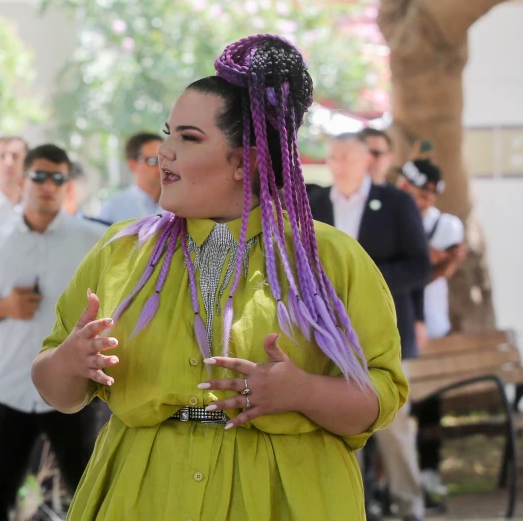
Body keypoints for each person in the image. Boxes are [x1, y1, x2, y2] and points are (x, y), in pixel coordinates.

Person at [32, 35, 407, 520]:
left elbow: (383, 397)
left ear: (245, 161)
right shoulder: (120, 251)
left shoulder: (329, 258)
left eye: (188, 138)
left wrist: (304, 392)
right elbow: (54, 389)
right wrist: (69, 360)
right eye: (168, 134)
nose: (162, 154)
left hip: (282, 498)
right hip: (143, 494)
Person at [0, 144, 104, 520]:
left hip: (72, 391)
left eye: (58, 178)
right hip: (9, 388)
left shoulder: (93, 241)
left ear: (67, 185)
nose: (48, 185)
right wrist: (2, 308)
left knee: (90, 499)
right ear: (22, 179)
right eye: (40, 175)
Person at [310, 132, 432, 521]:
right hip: (328, 336)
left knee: (394, 427)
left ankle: (409, 506)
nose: (339, 163)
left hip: (385, 330)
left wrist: (362, 283)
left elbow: (419, 265)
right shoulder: (313, 203)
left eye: (346, 156)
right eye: (332, 156)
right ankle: (357, 507)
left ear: (366, 161)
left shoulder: (396, 203)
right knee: (342, 424)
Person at [397, 158, 466, 506]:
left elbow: (440, 266)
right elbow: (430, 263)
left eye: (428, 195)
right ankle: (392, 486)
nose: (423, 201)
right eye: (418, 192)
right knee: (396, 413)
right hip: (396, 327)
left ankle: (430, 476)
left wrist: (423, 264)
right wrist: (428, 261)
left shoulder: (446, 224)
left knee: (429, 411)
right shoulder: (391, 216)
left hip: (431, 326)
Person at [97, 132, 163, 223]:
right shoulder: (112, 210)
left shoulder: (179, 205)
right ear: (132, 164)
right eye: (153, 160)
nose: (162, 166)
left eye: (165, 159)